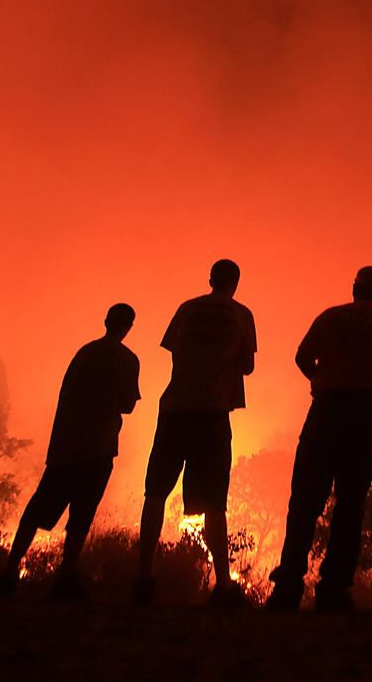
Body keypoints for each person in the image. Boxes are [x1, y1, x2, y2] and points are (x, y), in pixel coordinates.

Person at [266, 266, 372, 611]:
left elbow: (300, 356)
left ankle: (288, 587)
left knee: (306, 500)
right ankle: (334, 590)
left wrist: (319, 379)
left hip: (327, 412)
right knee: (351, 503)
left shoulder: (331, 318)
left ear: (354, 288)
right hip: (367, 416)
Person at [0, 303, 141, 600]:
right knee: (81, 516)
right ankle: (65, 577)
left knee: (38, 509)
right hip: (98, 448)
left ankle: (10, 571)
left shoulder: (84, 353)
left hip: (66, 445)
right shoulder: (127, 359)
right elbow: (128, 404)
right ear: (129, 327)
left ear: (105, 321)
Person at [135, 259, 257, 606]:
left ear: (210, 279)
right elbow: (247, 365)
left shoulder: (187, 309)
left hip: (175, 408)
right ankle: (222, 584)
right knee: (215, 501)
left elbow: (174, 350)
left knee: (155, 492)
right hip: (213, 412)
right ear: (235, 282)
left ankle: (144, 577)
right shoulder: (242, 315)